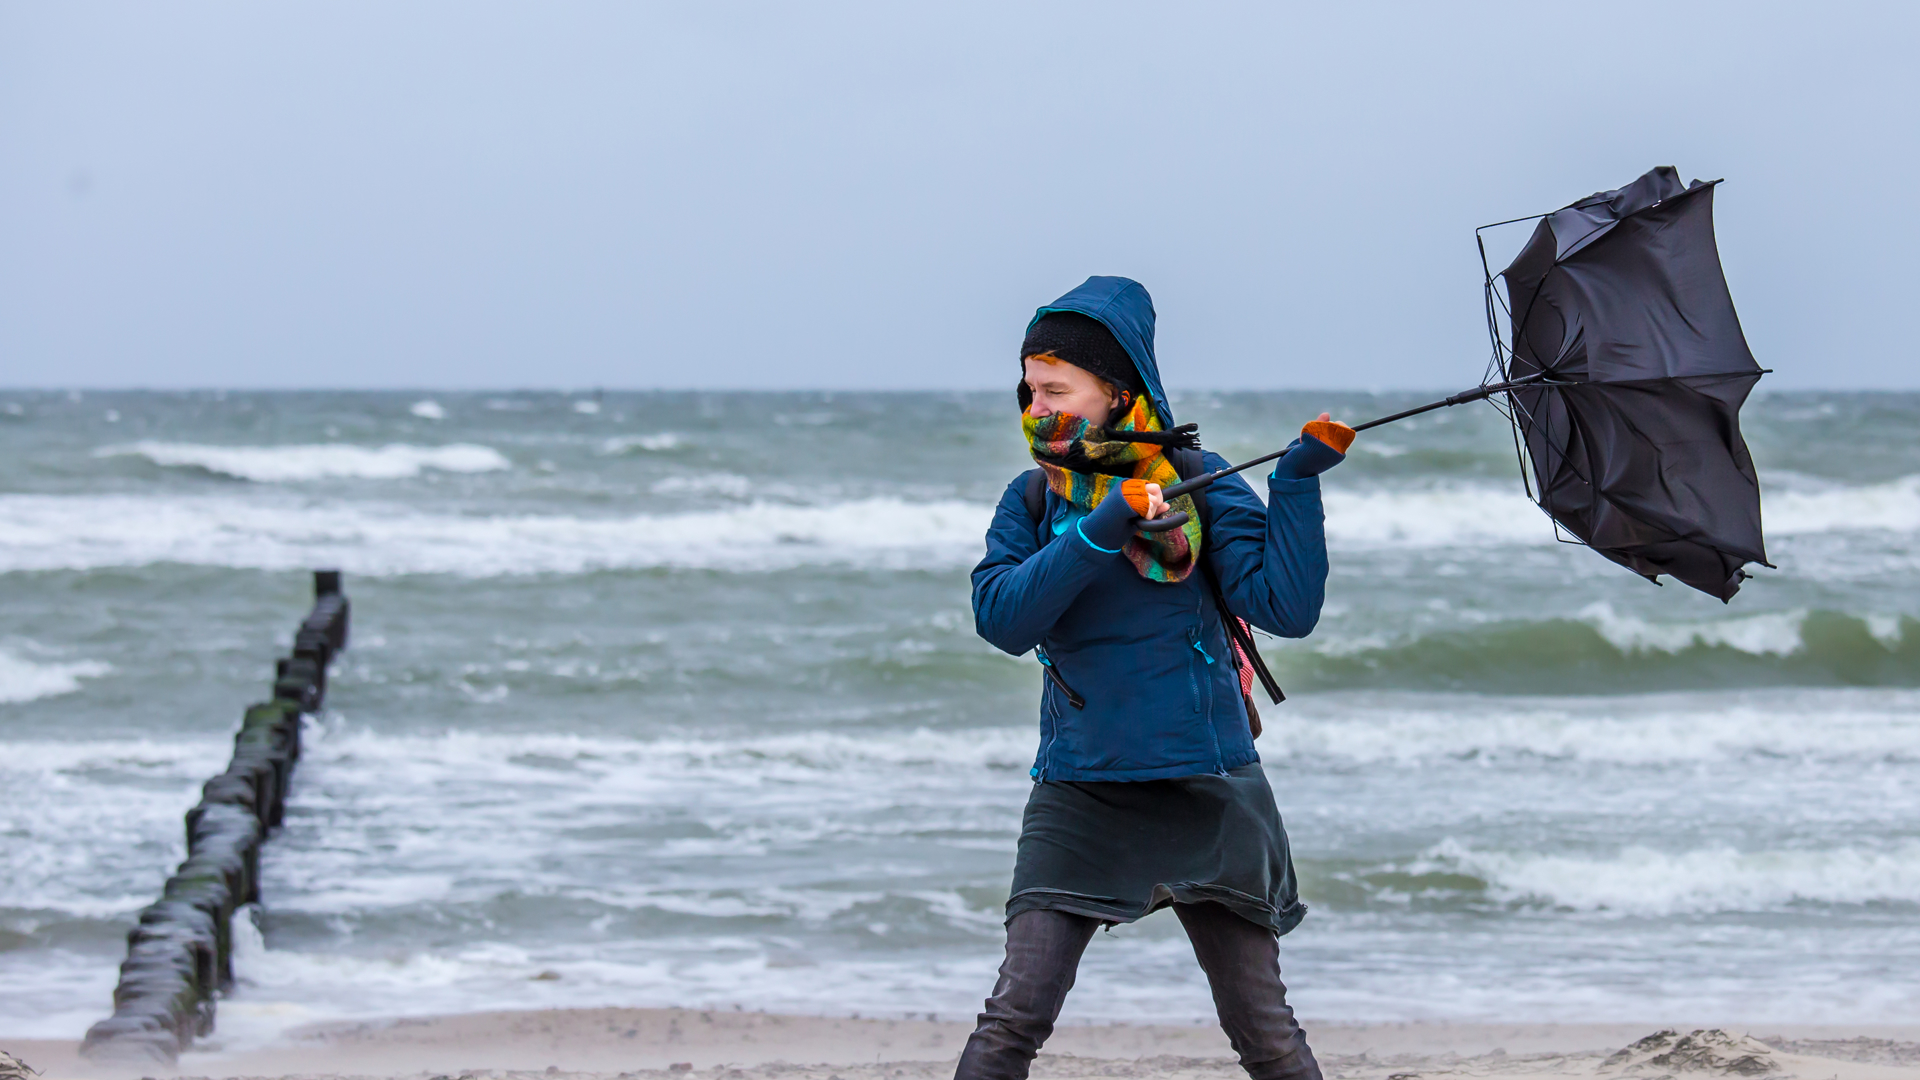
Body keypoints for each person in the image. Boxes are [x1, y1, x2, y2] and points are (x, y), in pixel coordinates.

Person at [959, 276, 1353, 1080]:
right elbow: (1004, 618)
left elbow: (1285, 606)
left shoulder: (1198, 480)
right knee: (1013, 1018)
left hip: (1208, 784)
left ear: (1114, 391)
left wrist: (1299, 483)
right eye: (1029, 388)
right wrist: (1103, 526)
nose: (1035, 406)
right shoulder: (1035, 498)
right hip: (1082, 785)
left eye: (1056, 387)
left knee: (1264, 1032)